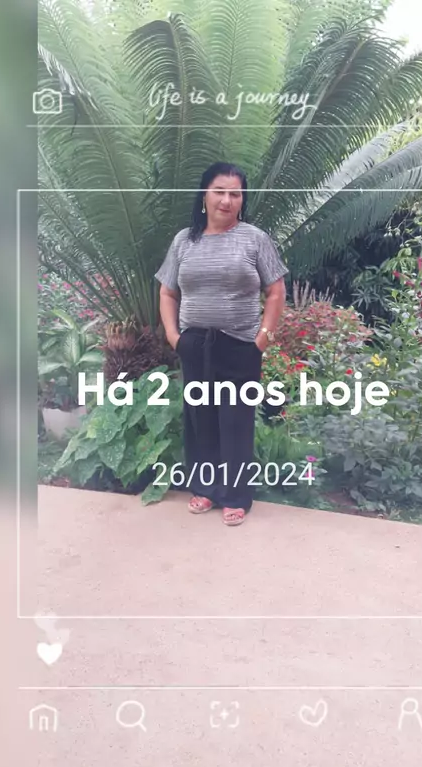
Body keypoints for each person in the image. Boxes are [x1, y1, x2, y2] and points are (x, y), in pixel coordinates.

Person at [155, 161, 288, 526]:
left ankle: (235, 497)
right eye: (219, 191)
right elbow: (167, 292)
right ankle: (205, 489)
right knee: (201, 420)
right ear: (204, 195)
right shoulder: (184, 241)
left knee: (235, 422)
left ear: (243, 200)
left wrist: (262, 339)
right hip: (195, 345)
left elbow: (276, 291)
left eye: (235, 194)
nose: (227, 200)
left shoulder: (255, 239)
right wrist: (174, 336)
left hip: (240, 347)